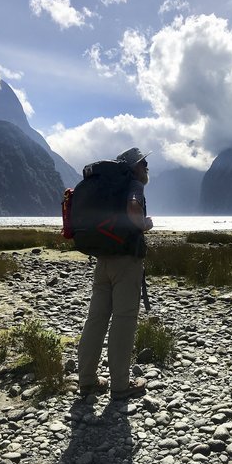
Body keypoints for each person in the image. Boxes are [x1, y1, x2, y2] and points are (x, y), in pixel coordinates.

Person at [77, 147, 153, 400]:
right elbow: (133, 208)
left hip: (103, 260)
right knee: (124, 320)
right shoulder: (133, 185)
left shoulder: (106, 186)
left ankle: (87, 381)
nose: (147, 168)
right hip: (126, 262)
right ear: (133, 167)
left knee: (96, 320)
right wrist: (144, 224)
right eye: (143, 163)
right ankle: (120, 385)